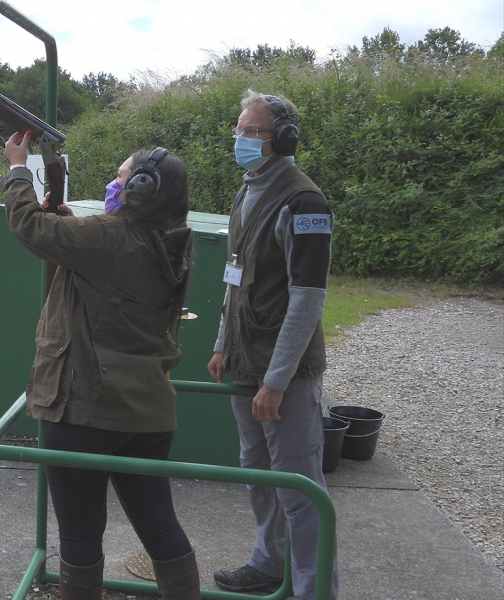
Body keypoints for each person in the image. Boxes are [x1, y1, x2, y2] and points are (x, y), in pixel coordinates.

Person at [1, 130, 200, 600]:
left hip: (84, 409)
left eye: (122, 178)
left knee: (80, 536)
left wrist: (17, 168)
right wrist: (70, 231)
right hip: (147, 411)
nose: (116, 184)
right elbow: (96, 265)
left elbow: (28, 225)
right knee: (160, 527)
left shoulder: (110, 236)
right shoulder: (174, 243)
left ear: (142, 189)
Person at [207, 90, 339, 600]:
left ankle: (312, 590)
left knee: (300, 490)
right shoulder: (248, 191)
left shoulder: (306, 202)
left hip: (283, 375)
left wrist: (276, 382)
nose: (240, 138)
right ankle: (269, 564)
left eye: (252, 131)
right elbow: (234, 276)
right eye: (239, 129)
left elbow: (308, 299)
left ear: (282, 139)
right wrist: (223, 343)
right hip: (245, 362)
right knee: (258, 474)